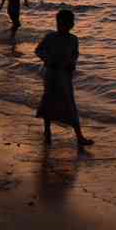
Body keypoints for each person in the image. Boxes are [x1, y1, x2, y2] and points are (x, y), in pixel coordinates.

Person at [35, 9, 93, 147]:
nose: (63, 26)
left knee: (70, 103)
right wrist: (48, 60)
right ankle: (47, 131)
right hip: (51, 74)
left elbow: (75, 54)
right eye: (60, 23)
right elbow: (39, 50)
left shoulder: (73, 39)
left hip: (65, 75)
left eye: (67, 23)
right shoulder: (50, 37)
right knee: (49, 101)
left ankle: (79, 136)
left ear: (71, 24)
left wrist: (72, 64)